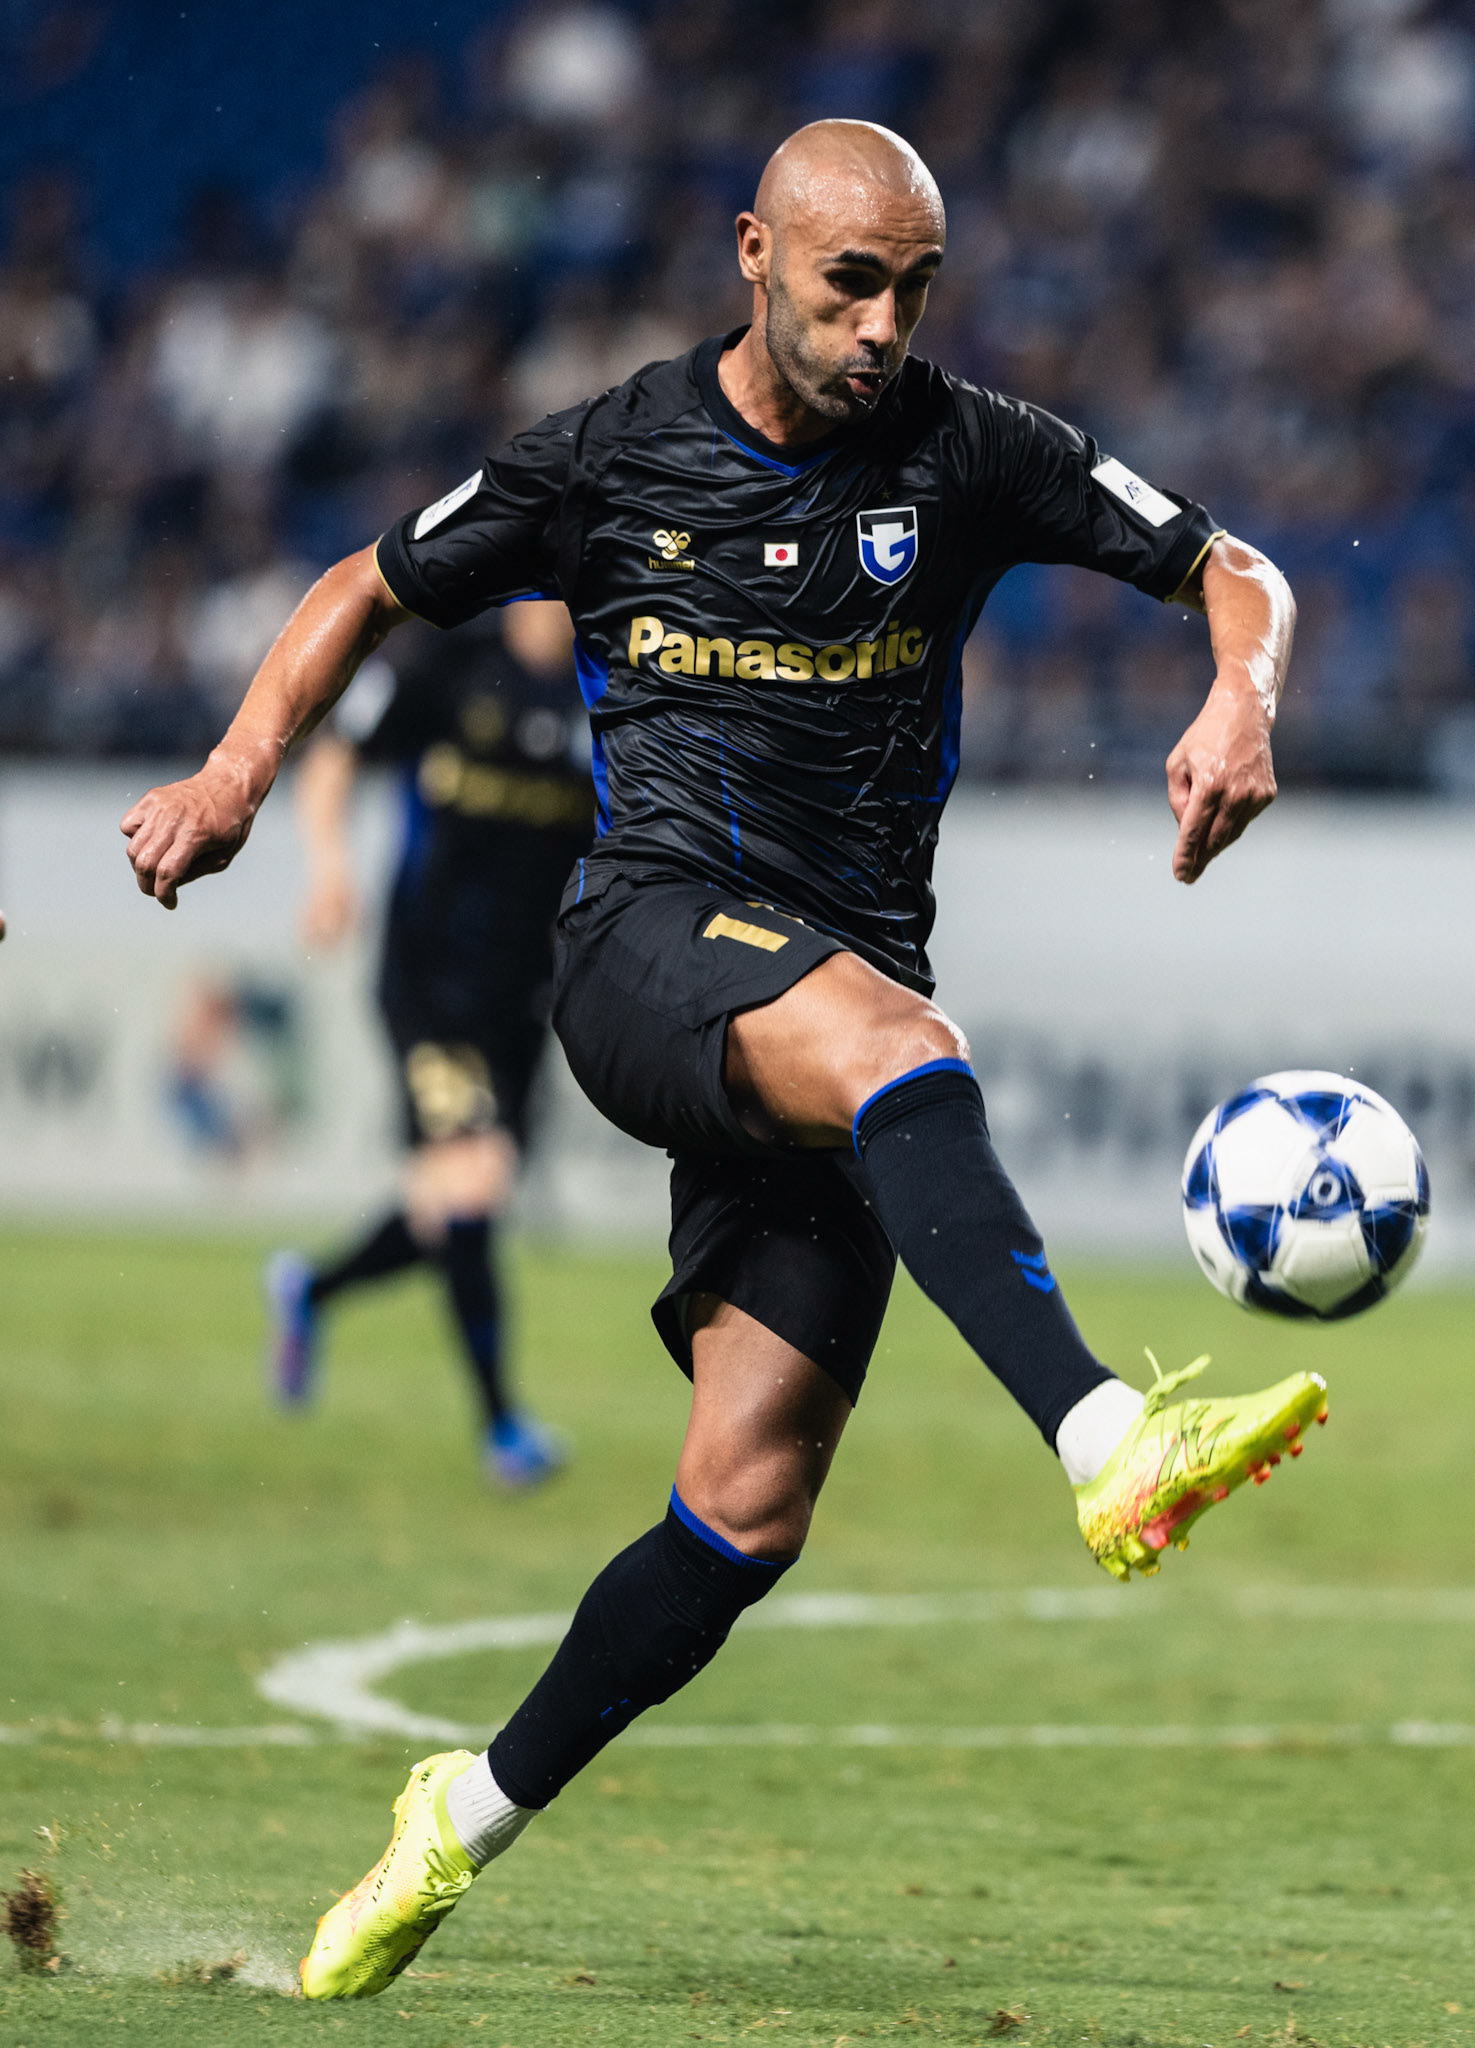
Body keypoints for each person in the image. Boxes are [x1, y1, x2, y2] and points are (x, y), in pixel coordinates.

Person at [121, 121, 1327, 2001]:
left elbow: (1228, 565)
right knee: (906, 1045)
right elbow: (364, 583)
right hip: (644, 950)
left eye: (913, 288)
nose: (882, 324)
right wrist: (237, 771)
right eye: (850, 281)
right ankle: (1108, 1437)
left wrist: (1233, 694)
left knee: (743, 1505)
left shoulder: (969, 450)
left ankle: (463, 1810)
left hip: (819, 1025)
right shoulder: (606, 454)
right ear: (751, 253)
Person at [264, 598, 595, 1487]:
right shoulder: (442, 662)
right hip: (428, 979)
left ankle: (312, 1291)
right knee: (475, 1178)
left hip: (526, 992)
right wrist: (328, 871)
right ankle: (502, 1429)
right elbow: (333, 760)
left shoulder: (610, 684)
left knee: (447, 1212)